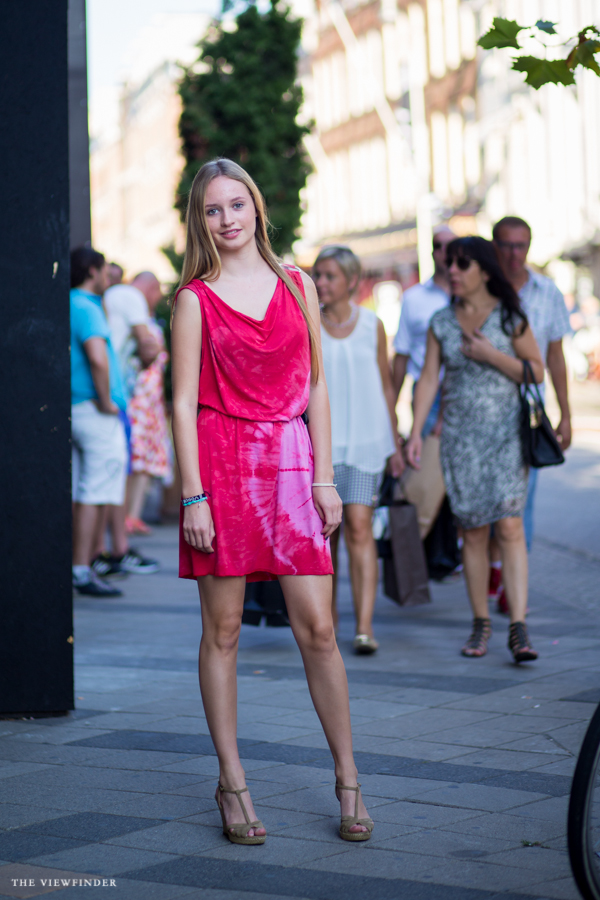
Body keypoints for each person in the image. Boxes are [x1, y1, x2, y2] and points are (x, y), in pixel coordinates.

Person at [171, 158, 373, 845]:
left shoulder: (298, 285)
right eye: (212, 211)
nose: (227, 220)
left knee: (318, 628)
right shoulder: (195, 299)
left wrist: (324, 478)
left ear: (257, 207)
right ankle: (232, 783)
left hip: (290, 469)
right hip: (222, 470)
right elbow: (180, 400)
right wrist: (192, 496)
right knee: (223, 631)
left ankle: (348, 778)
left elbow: (315, 385)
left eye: (236, 205)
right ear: (201, 222)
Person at [406, 237, 544, 663]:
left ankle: (518, 627)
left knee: (509, 527)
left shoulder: (510, 317)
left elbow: (534, 370)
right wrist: (414, 433)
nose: (453, 271)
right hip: (459, 440)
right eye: (450, 264)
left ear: (484, 270)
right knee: (474, 531)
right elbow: (428, 380)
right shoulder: (441, 323)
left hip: (506, 437)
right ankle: (481, 622)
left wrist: (489, 354)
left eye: (462, 265)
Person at [314, 245, 402, 654]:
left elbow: (386, 384)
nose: (321, 282)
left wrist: (395, 438)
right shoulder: (308, 322)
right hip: (323, 448)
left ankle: (364, 628)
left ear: (351, 280)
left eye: (330, 275)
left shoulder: (372, 324)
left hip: (367, 441)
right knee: (325, 538)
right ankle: (326, 626)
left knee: (361, 530)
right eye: (318, 274)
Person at [488, 217, 572, 612]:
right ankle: (491, 560)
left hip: (529, 410)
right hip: (484, 409)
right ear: (494, 246)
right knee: (486, 500)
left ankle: (509, 579)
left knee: (524, 499)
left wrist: (566, 415)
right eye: (505, 245)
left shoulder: (547, 292)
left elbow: (555, 356)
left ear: (530, 247)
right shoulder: (481, 287)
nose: (513, 254)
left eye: (520, 245)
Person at [90, 274, 162, 576]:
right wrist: (150, 357)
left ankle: (108, 550)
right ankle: (106, 552)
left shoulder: (110, 298)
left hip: (110, 397)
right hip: (112, 398)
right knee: (110, 478)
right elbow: (149, 344)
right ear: (151, 289)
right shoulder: (131, 298)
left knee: (108, 477)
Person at [70, 247, 128, 597]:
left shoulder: (70, 302)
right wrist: (107, 401)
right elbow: (98, 357)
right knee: (96, 490)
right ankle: (82, 568)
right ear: (92, 270)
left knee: (87, 488)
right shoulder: (86, 306)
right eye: (105, 270)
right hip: (95, 411)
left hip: (79, 410)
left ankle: (84, 563)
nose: (108, 276)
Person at [392, 226, 455, 434]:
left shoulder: (473, 298)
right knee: (427, 462)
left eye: (451, 246)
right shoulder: (413, 298)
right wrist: (392, 409)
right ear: (432, 252)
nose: (444, 252)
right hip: (427, 391)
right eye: (438, 246)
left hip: (463, 389)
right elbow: (402, 353)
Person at [127, 284, 172, 529]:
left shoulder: (149, 320)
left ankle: (132, 516)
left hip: (151, 402)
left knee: (145, 460)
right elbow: (148, 352)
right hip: (139, 402)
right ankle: (127, 516)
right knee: (136, 458)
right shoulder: (138, 321)